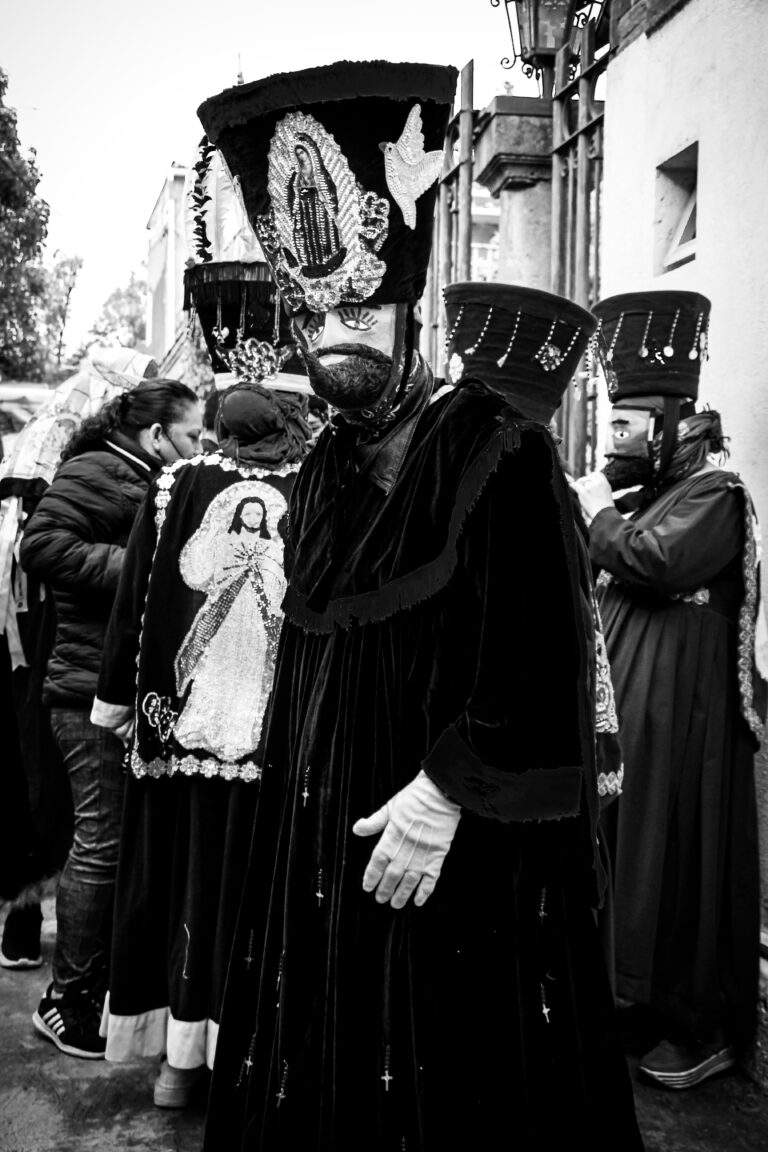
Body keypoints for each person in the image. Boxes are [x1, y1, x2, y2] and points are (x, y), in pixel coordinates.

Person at [197, 62, 643, 1150]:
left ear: (409, 298)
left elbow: (541, 666)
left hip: (460, 882)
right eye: (316, 308)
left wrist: (448, 792)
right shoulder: (322, 473)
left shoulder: (499, 447)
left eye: (361, 302)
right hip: (317, 869)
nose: (336, 330)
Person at [92, 273, 312, 1107]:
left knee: (185, 876)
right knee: (255, 886)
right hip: (272, 734)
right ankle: (243, 1062)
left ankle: (180, 1065)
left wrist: (116, 700)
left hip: (179, 732)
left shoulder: (174, 484)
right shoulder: (314, 485)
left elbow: (133, 602)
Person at [572, 289, 767, 1089]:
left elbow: (656, 565)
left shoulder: (716, 494)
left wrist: (594, 514)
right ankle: (630, 1005)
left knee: (675, 862)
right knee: (626, 860)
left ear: (670, 426)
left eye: (624, 427)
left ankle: (698, 1027)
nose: (612, 442)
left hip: (685, 724)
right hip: (630, 719)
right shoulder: (645, 496)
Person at [18, 379, 201, 1059]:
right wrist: (142, 569)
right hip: (86, 689)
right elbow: (39, 546)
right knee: (98, 843)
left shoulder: (141, 474)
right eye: (190, 436)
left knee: (113, 841)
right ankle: (64, 999)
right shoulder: (98, 468)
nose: (198, 447)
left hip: (113, 684)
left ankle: (94, 985)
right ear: (157, 435)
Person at [0, 349, 159, 970]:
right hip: (44, 636)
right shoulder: (77, 464)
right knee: (57, 790)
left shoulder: (47, 447)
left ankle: (28, 921)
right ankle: (52, 951)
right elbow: (39, 550)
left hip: (38, 634)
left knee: (48, 782)